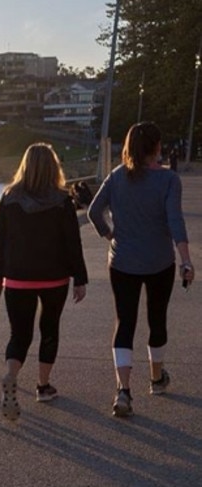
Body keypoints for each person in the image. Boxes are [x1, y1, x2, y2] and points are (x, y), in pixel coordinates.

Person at [87, 121, 194, 418]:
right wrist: (186, 261)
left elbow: (95, 211)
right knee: (156, 320)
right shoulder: (169, 180)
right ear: (157, 147)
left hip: (122, 262)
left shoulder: (117, 176)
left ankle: (123, 390)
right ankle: (157, 379)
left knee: (125, 322)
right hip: (159, 263)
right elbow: (176, 222)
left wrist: (109, 235)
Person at [0, 142, 88, 421]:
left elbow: (0, 241)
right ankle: (43, 387)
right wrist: (79, 277)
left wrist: (1, 274)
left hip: (18, 278)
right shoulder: (61, 200)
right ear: (53, 167)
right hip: (53, 277)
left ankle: (11, 376)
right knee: (49, 330)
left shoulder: (9, 197)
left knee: (19, 335)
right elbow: (72, 242)